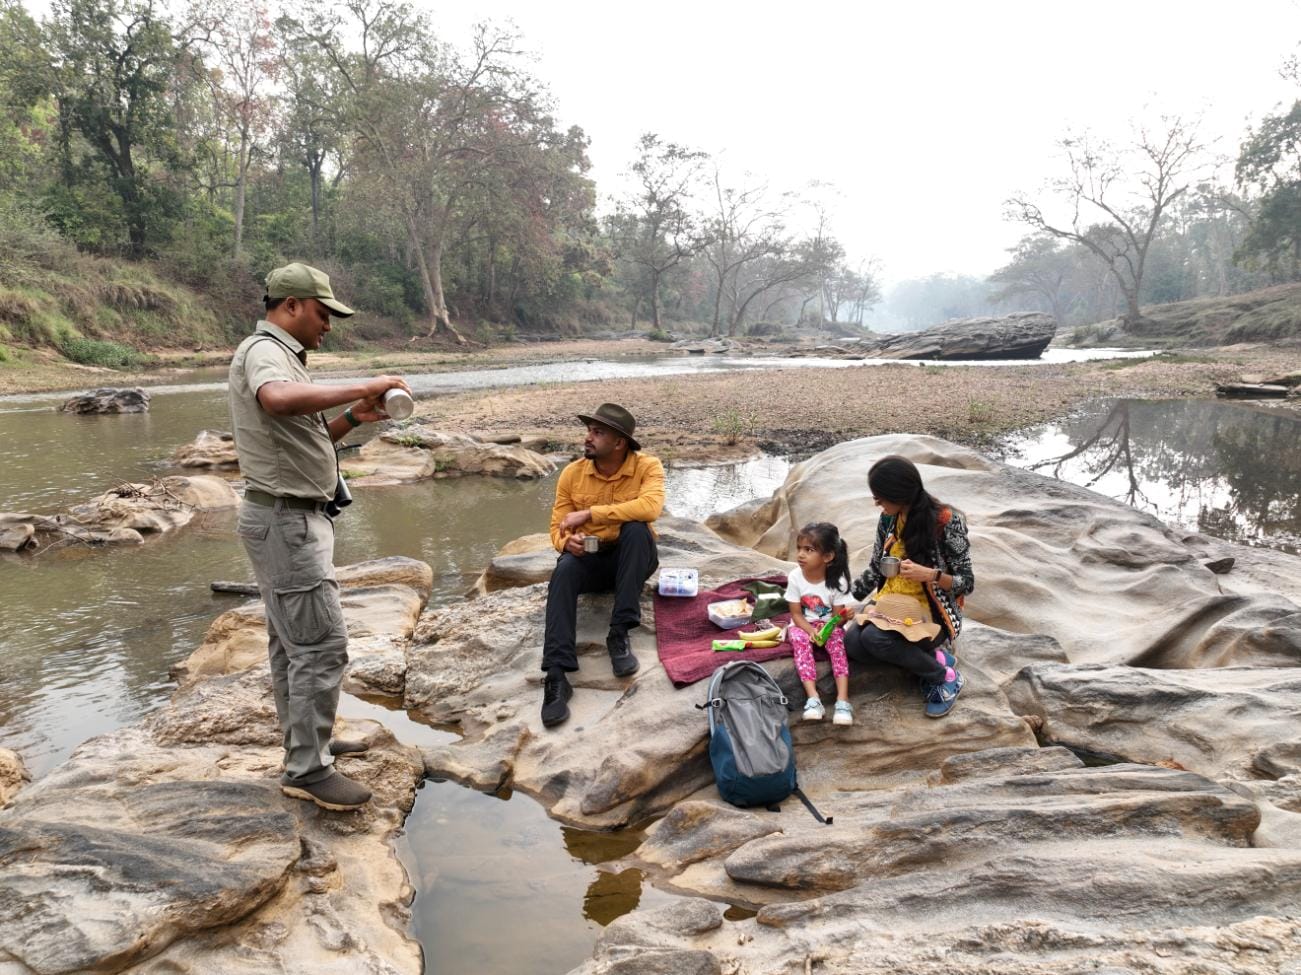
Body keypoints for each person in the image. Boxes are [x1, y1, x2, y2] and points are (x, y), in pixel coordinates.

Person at [229, 262, 411, 811]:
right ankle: (308, 770)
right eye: (322, 312)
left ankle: (310, 748)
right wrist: (369, 382)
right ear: (290, 305)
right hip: (286, 522)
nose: (328, 324)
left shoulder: (286, 360)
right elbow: (277, 401)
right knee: (322, 647)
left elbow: (306, 439)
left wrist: (354, 417)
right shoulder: (265, 353)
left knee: (293, 646)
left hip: (292, 518)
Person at [540, 403, 664, 728]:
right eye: (589, 431)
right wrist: (567, 543)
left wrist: (591, 514)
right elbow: (557, 528)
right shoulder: (572, 473)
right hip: (592, 561)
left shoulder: (647, 467)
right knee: (565, 567)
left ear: (619, 442)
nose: (588, 438)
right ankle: (556, 675)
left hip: (633, 559)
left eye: (598, 432)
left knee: (637, 529)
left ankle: (619, 633)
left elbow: (650, 507)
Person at [844, 455, 975, 718]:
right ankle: (933, 658)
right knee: (853, 644)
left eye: (880, 496)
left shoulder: (946, 521)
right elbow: (875, 567)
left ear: (900, 493)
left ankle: (944, 677)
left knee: (874, 638)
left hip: (931, 615)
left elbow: (967, 582)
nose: (876, 502)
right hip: (891, 605)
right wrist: (845, 597)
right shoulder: (887, 520)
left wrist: (931, 575)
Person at [785, 522, 855, 726]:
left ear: (828, 556)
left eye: (809, 550)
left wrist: (845, 616)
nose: (801, 555)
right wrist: (809, 630)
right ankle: (813, 698)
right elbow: (796, 614)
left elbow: (837, 620)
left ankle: (843, 700)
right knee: (798, 640)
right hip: (803, 625)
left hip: (829, 626)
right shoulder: (795, 577)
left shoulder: (837, 581)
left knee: (838, 645)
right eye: (799, 548)